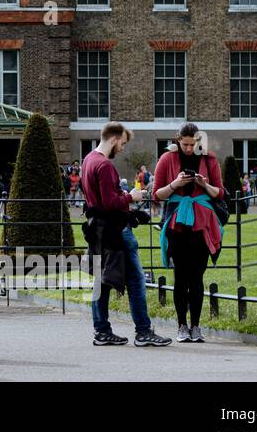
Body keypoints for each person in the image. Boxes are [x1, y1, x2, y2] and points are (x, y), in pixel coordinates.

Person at [82, 121, 172, 348]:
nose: (122, 148)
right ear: (113, 139)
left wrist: (125, 201)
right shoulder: (104, 165)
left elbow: (100, 201)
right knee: (136, 280)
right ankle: (143, 331)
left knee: (100, 282)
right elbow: (111, 203)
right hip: (116, 231)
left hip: (98, 230)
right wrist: (132, 197)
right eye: (121, 144)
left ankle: (101, 330)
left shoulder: (87, 160)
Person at [153, 122, 228, 343]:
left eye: (192, 144)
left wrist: (203, 185)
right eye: (184, 144)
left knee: (197, 278)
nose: (188, 148)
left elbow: (219, 193)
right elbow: (158, 194)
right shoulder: (167, 159)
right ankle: (181, 326)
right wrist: (176, 183)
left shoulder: (209, 159)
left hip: (202, 225)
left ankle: (196, 326)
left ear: (198, 141)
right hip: (177, 226)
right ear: (178, 139)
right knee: (181, 278)